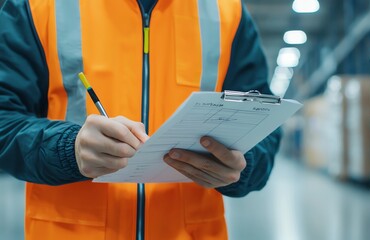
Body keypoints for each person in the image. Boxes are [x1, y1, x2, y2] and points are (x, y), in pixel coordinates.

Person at [0, 0, 281, 239]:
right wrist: (67, 149)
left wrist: (240, 167)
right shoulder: (38, 6)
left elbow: (263, 125)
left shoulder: (226, 11)